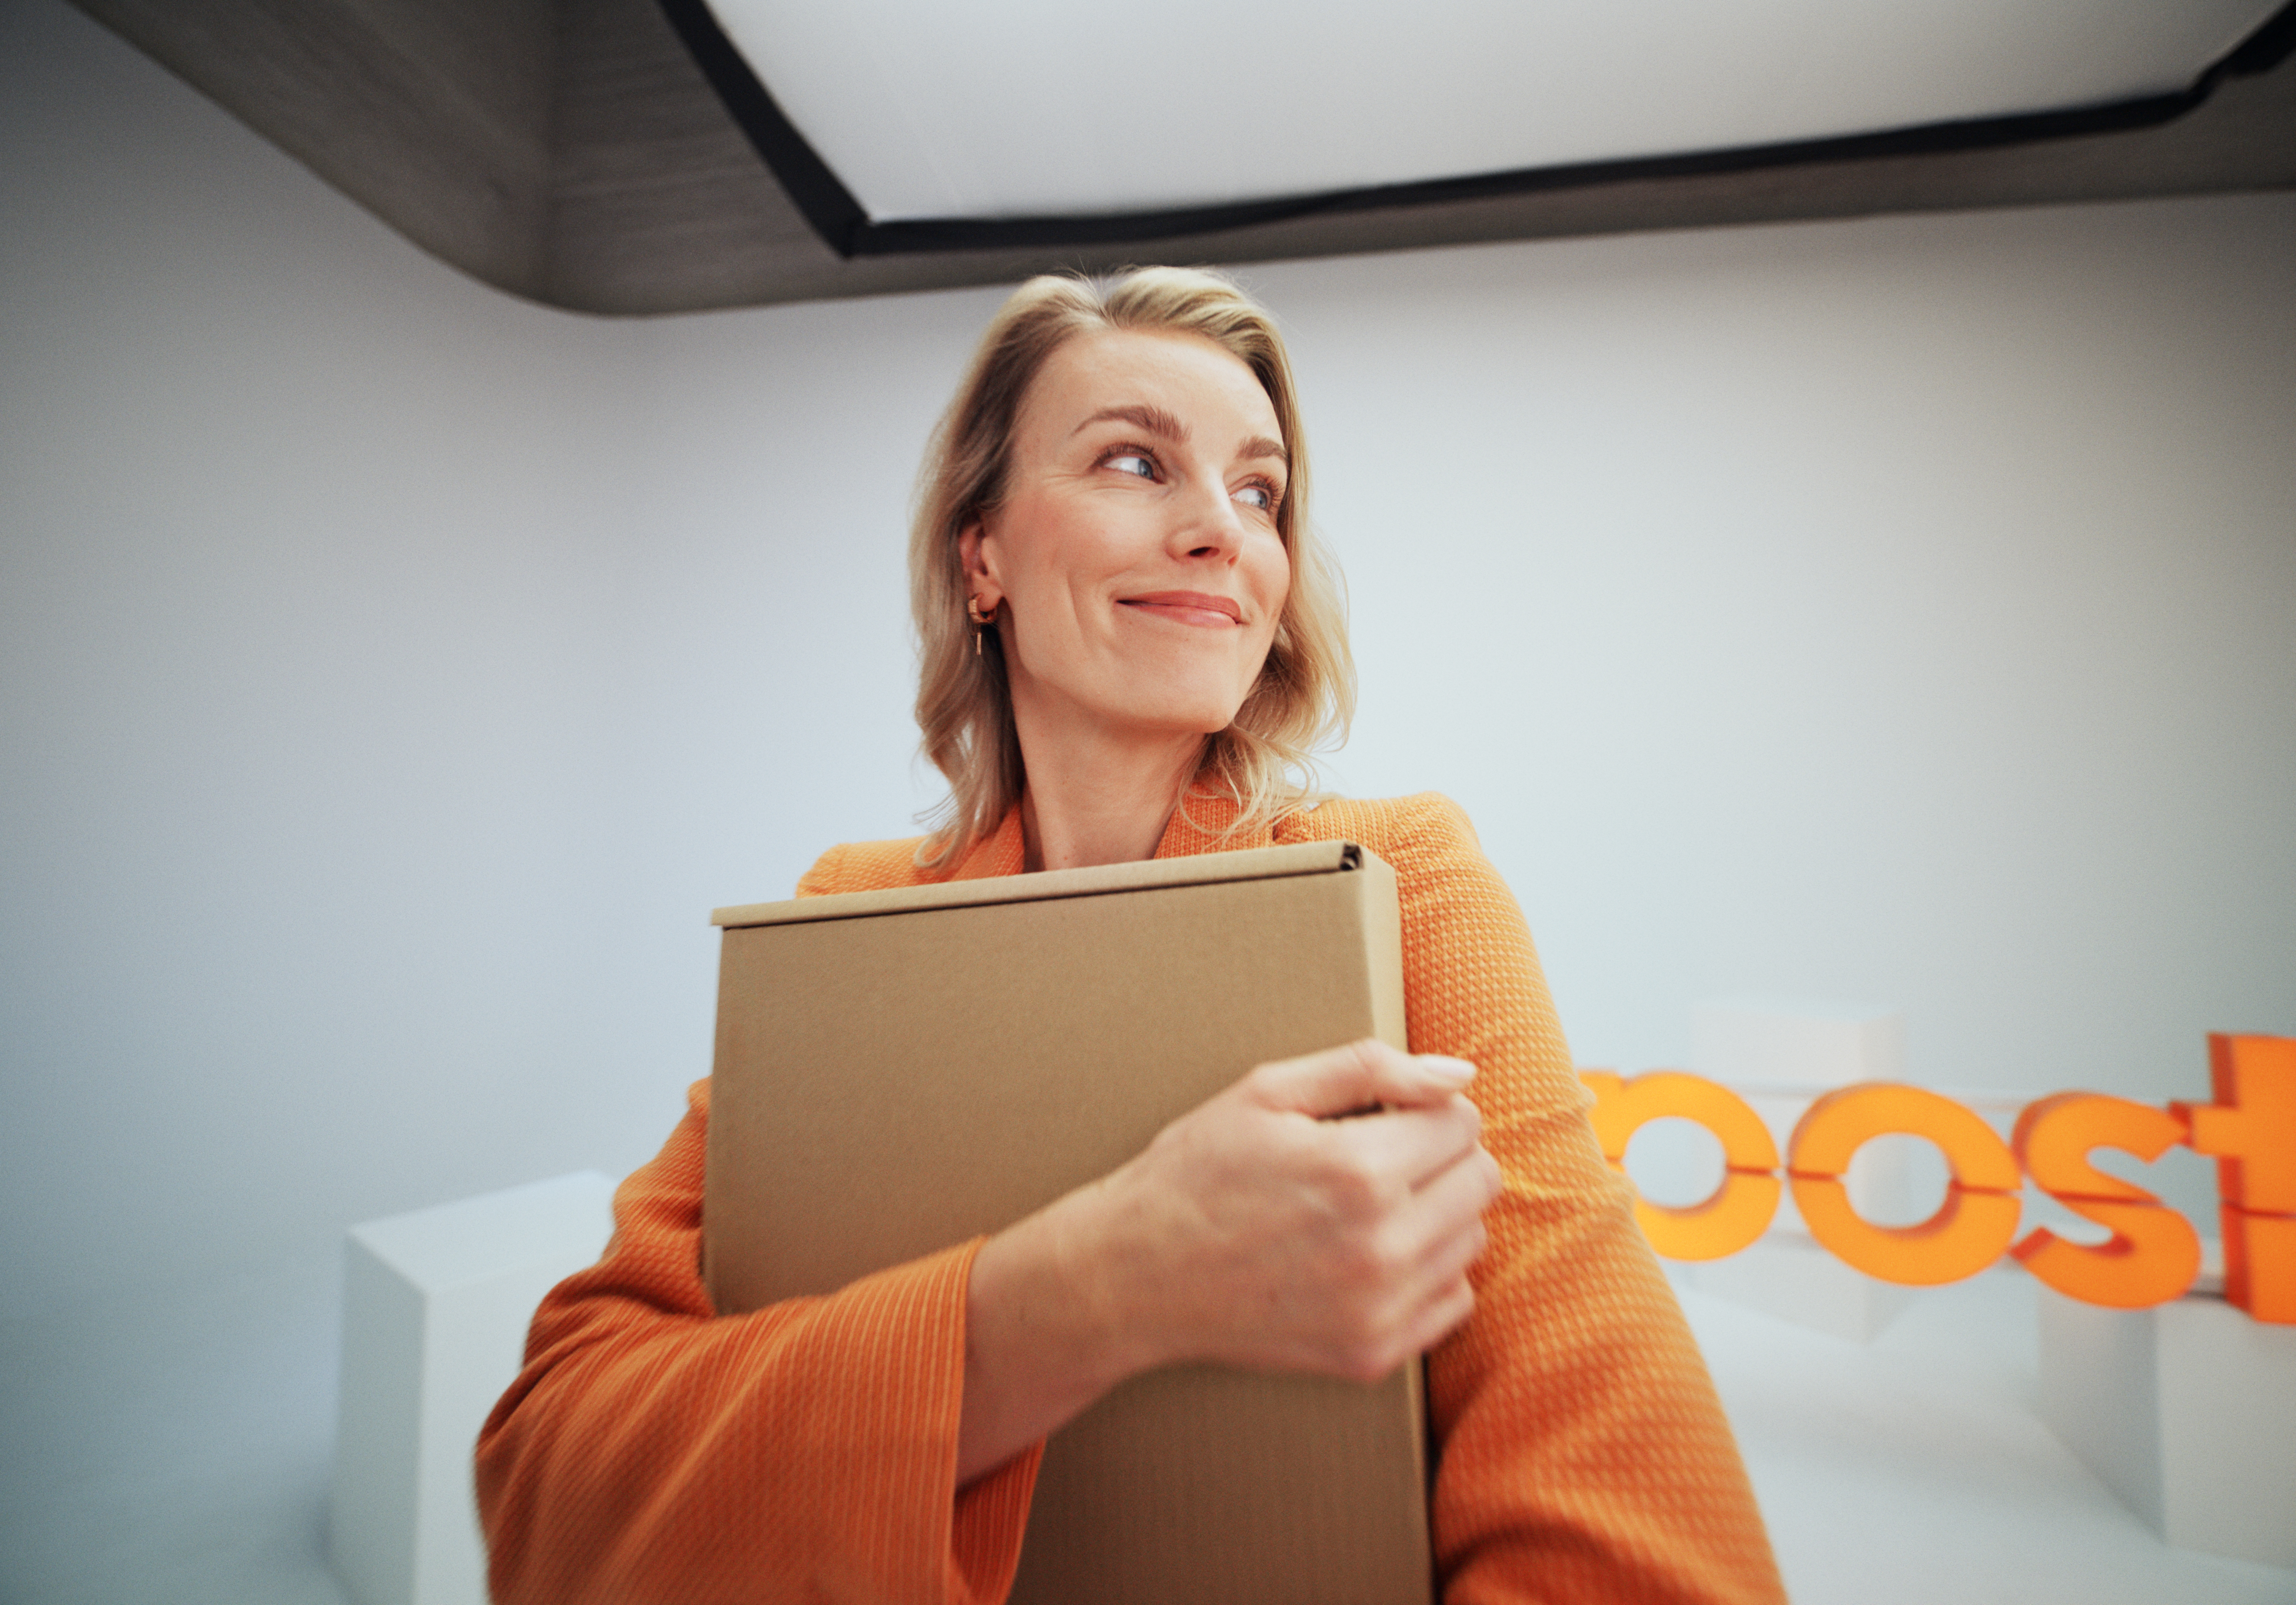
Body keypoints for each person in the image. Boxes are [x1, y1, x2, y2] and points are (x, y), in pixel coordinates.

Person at [476, 268, 1785, 1605]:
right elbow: (550, 1495)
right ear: (978, 553)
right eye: (1131, 460)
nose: (1221, 529)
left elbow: (1644, 1554)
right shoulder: (847, 912)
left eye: (1259, 490)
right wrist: (1094, 1289)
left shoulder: (1406, 886)